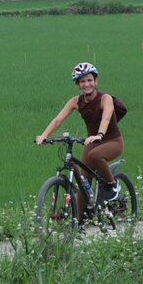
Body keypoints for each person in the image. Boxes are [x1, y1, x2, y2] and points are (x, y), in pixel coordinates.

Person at [35, 62, 124, 220]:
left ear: (95, 81)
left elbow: (106, 117)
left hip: (112, 141)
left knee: (95, 156)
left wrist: (100, 134)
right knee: (83, 183)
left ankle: (112, 185)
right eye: (82, 81)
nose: (86, 84)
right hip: (92, 142)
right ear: (78, 84)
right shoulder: (76, 101)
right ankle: (79, 223)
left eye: (90, 80)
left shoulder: (105, 98)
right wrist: (44, 135)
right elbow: (58, 120)